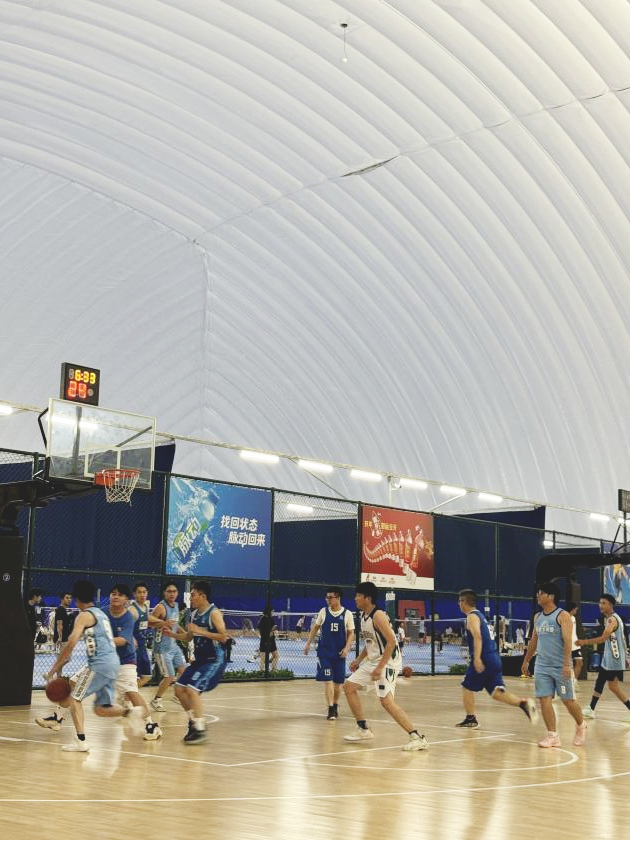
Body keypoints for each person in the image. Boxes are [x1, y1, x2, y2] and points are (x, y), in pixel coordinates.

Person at [35, 579, 139, 752]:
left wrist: (52, 670)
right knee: (100, 708)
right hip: (113, 663)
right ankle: (129, 712)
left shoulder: (83, 616)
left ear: (76, 598)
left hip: (99, 664)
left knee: (75, 698)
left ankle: (81, 741)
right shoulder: (100, 613)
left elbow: (71, 643)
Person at [343, 581, 428, 751]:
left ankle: (417, 737)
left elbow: (391, 642)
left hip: (388, 661)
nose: (355, 598)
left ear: (368, 598)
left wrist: (380, 667)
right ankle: (363, 729)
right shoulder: (363, 616)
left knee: (386, 702)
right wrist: (358, 660)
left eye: (358, 595)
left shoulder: (378, 616)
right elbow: (371, 642)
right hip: (374, 660)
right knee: (349, 687)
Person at [456, 589, 537, 728]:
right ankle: (523, 703)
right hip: (494, 658)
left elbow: (478, 637)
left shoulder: (472, 617)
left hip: (484, 658)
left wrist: (477, 658)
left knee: (466, 686)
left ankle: (471, 719)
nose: (458, 604)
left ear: (464, 602)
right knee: (496, 692)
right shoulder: (481, 616)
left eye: (459, 601)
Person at [522, 582, 586, 747]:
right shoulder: (538, 617)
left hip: (560, 666)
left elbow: (567, 642)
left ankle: (581, 725)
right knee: (544, 699)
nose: (538, 595)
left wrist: (566, 665)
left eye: (541, 593)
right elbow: (533, 641)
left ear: (551, 596)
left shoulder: (563, 616)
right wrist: (526, 660)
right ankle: (553, 736)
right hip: (542, 666)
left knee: (568, 700)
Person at [174, 580, 229, 744]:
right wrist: (173, 635)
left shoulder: (214, 613)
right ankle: (194, 722)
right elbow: (188, 637)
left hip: (214, 660)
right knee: (178, 689)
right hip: (200, 660)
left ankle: (201, 729)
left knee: (192, 690)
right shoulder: (193, 614)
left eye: (193, 595)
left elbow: (223, 637)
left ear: (203, 596)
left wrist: (201, 631)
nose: (190, 598)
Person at [303, 588, 355, 720]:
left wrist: (347, 648)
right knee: (328, 680)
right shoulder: (323, 611)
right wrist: (308, 643)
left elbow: (351, 633)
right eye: (327, 597)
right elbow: (315, 628)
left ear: (338, 598)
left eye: (330, 597)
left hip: (339, 654)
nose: (328, 600)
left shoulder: (347, 614)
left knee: (338, 684)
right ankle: (330, 708)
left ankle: (335, 705)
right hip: (324, 653)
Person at [578, 593, 630, 721]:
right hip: (610, 658)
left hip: (614, 659)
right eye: (600, 603)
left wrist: (584, 642)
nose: (600, 605)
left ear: (610, 605)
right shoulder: (611, 618)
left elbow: (602, 638)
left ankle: (591, 708)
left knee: (610, 685)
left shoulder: (612, 620)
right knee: (607, 684)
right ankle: (591, 708)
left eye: (604, 603)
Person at [150, 581, 187, 711]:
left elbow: (175, 624)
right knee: (169, 677)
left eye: (174, 591)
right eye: (169, 591)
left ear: (177, 593)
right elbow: (150, 623)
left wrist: (185, 634)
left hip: (173, 646)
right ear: (164, 593)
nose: (172, 594)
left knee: (183, 671)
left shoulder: (176, 605)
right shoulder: (161, 607)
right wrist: (163, 623)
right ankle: (156, 700)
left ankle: (177, 695)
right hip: (162, 649)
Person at [131, 581, 153, 688]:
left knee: (147, 676)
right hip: (133, 649)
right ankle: (129, 695)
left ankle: (129, 694)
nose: (142, 595)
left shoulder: (145, 607)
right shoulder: (132, 609)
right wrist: (131, 638)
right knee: (133, 677)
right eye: (139, 592)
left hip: (142, 647)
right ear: (134, 594)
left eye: (144, 592)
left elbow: (148, 620)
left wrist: (162, 623)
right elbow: (125, 628)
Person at [53, 592, 73, 673]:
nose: (69, 600)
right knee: (66, 658)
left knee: (62, 659)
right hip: (62, 639)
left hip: (64, 638)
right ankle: (51, 672)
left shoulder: (63, 610)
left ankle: (57, 676)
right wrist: (60, 637)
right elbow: (59, 624)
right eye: (67, 598)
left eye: (70, 598)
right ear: (62, 599)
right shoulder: (60, 610)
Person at [565, 601, 583, 685]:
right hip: (567, 646)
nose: (576, 610)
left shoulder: (573, 618)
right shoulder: (564, 617)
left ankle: (574, 681)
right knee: (566, 665)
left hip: (575, 645)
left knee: (580, 662)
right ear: (573, 609)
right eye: (576, 609)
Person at [258, 605, 279, 671]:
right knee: (264, 658)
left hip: (269, 640)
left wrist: (273, 630)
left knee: (275, 656)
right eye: (272, 611)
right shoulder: (265, 619)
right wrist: (271, 631)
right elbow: (266, 631)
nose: (273, 612)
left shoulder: (268, 619)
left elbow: (273, 627)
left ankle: (272, 670)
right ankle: (263, 671)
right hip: (266, 641)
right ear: (269, 611)